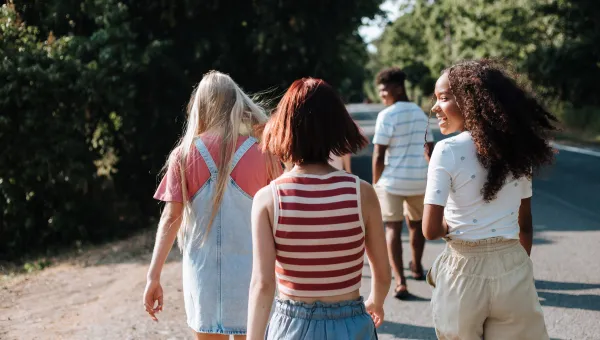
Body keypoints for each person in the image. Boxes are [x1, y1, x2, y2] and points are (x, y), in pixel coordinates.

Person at [247, 78, 391, 340]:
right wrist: (376, 301)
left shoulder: (269, 199)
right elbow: (382, 272)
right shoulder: (362, 193)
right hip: (351, 324)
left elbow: (263, 283)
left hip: (292, 327)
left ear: (283, 128)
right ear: (338, 128)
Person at [143, 71, 281, 339]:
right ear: (236, 103)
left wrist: (153, 276)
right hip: (253, 277)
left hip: (202, 274)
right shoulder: (263, 152)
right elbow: (280, 216)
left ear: (200, 105)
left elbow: (171, 218)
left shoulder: (183, 154)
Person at [423, 59, 554, 339]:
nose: (435, 107)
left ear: (471, 102)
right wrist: (518, 268)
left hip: (463, 270)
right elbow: (525, 225)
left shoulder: (445, 151)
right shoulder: (519, 152)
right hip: (513, 266)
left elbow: (431, 230)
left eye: (444, 98)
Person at [372, 67, 434, 299]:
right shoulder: (421, 113)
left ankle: (400, 281)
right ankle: (416, 266)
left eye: (384, 90)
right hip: (420, 180)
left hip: (392, 183)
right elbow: (430, 148)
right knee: (417, 225)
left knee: (392, 228)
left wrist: (374, 183)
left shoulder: (386, 116)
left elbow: (379, 155)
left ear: (398, 88)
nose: (382, 95)